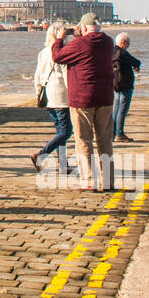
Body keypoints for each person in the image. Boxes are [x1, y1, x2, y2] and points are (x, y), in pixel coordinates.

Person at [51, 12, 116, 191]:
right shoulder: (109, 42)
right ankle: (109, 181)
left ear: (84, 27)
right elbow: (90, 47)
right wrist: (81, 35)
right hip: (105, 97)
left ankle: (88, 180)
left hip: (83, 98)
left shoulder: (79, 44)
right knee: (105, 141)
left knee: (83, 140)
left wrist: (59, 39)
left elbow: (57, 56)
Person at [29, 22, 72, 173]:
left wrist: (38, 92)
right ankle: (41, 155)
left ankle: (63, 166)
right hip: (61, 94)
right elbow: (66, 74)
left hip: (47, 95)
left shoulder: (43, 52)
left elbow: (38, 75)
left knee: (60, 131)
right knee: (66, 131)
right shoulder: (62, 51)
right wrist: (72, 92)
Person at [112, 33, 141, 143]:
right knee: (122, 109)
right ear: (123, 43)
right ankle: (119, 133)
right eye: (128, 44)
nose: (128, 46)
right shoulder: (122, 52)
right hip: (125, 84)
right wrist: (137, 66)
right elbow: (135, 61)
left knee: (116, 109)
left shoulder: (111, 51)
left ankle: (113, 133)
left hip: (115, 83)